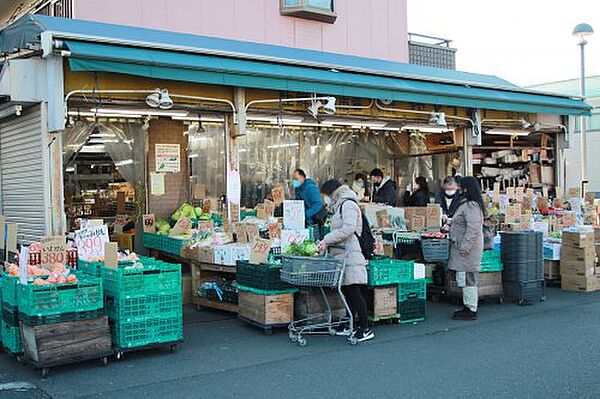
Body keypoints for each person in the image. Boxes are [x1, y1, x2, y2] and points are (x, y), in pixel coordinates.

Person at [318, 179, 374, 342]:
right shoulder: (339, 206)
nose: (325, 199)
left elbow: (348, 228)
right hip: (344, 254)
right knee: (349, 291)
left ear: (332, 193)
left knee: (354, 291)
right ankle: (349, 323)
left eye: (325, 195)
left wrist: (327, 239)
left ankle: (365, 328)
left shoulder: (347, 204)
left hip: (351, 253)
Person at [448, 176, 485, 321]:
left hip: (467, 249)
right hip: (463, 247)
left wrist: (465, 246)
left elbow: (473, 228)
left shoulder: (471, 206)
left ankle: (471, 308)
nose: (458, 189)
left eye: (460, 186)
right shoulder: (469, 204)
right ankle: (468, 305)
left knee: (469, 277)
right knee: (464, 277)